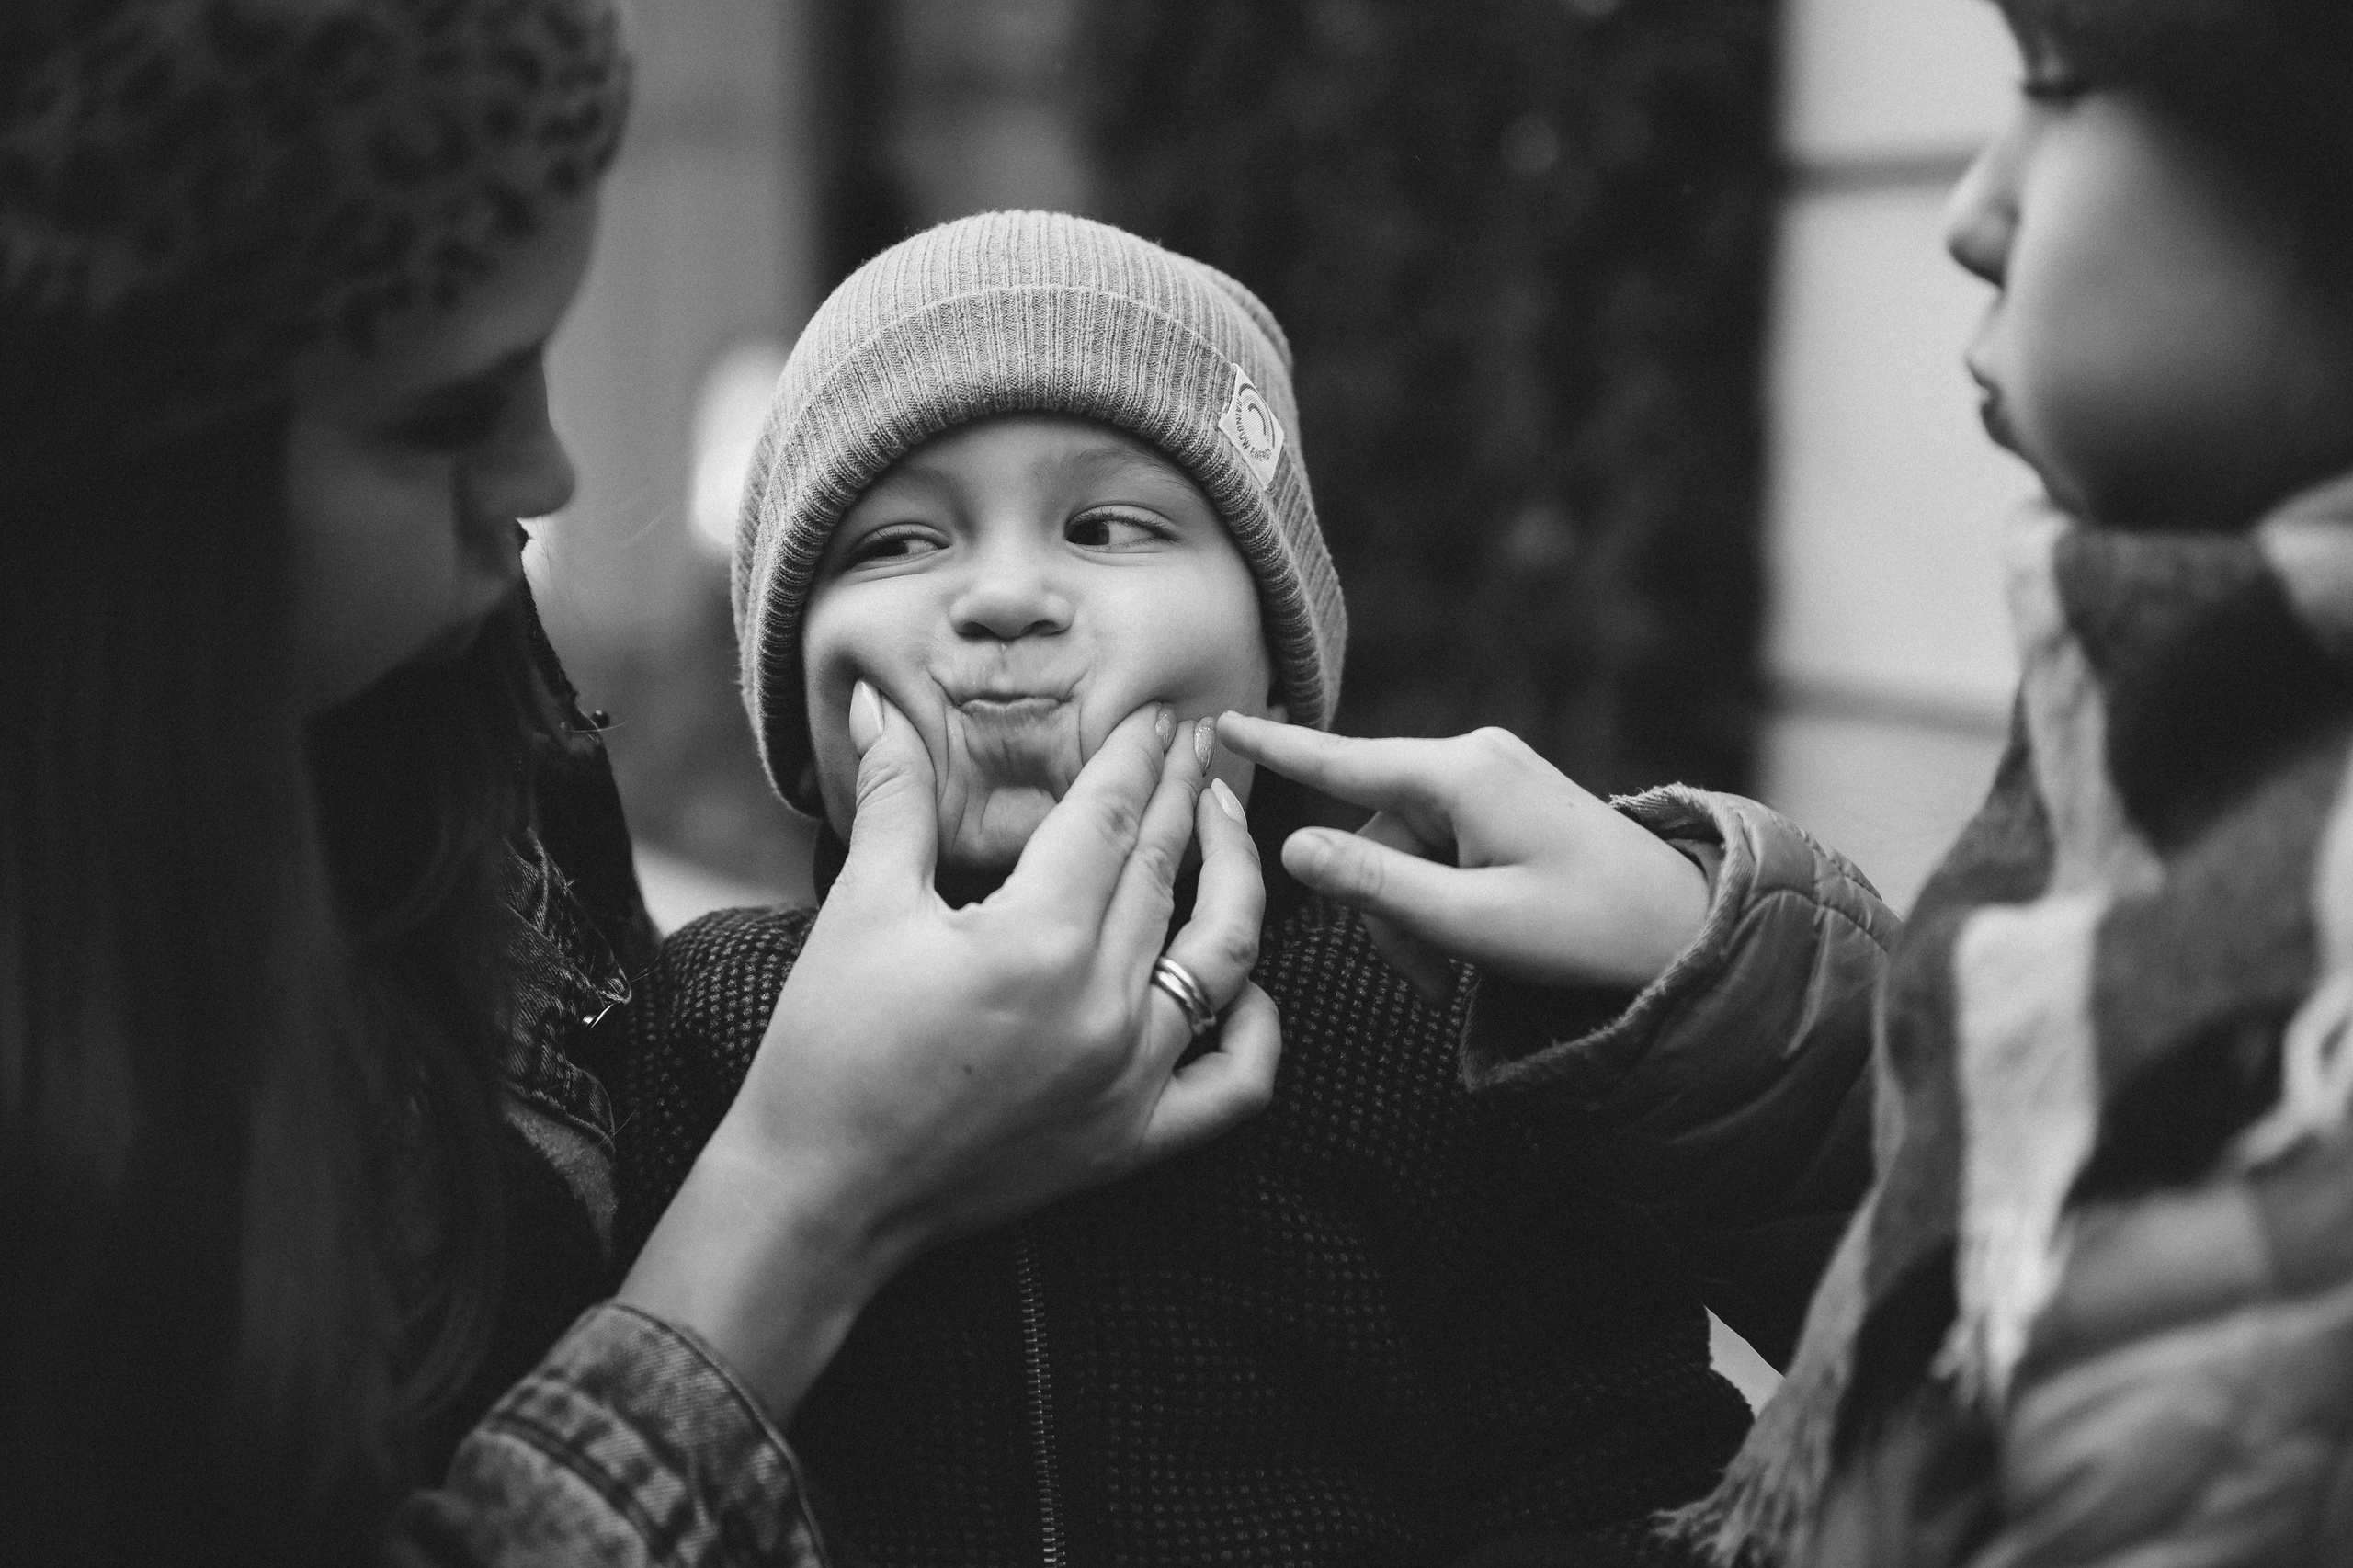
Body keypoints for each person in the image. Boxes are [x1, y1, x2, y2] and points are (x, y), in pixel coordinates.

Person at [0, 4, 1277, 1562]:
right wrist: (806, 1199)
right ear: (117, 516)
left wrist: (1663, 971)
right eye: (446, 417)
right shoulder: (721, 1033)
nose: (547, 479)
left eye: (1112, 526)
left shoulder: (457, 710)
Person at [1227, 0, 2353, 1563]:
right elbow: (2030, 1283)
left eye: (2061, 85)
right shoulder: (2163, 755)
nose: (1973, 211)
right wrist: (1692, 971)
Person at [618, 210, 1880, 1565]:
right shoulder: (701, 1036)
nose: (1003, 596)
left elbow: (1608, 1486)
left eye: (1105, 525)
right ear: (791, 687)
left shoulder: (1434, 1039)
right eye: (898, 543)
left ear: (1274, 657)